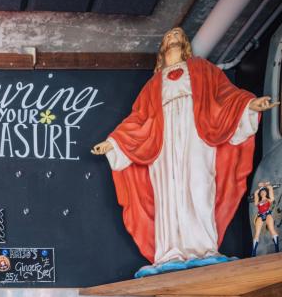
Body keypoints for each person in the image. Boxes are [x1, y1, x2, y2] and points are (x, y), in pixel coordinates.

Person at [92, 27, 279, 273]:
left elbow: (225, 95)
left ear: (185, 43)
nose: (173, 37)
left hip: (197, 136)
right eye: (168, 35)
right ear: (162, 48)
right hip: (163, 144)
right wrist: (114, 143)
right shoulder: (152, 85)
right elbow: (138, 119)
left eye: (178, 34)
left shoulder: (203, 70)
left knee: (200, 186)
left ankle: (203, 247)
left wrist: (249, 103)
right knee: (168, 194)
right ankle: (171, 250)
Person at [252, 181, 279, 256]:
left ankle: (277, 248)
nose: (262, 193)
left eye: (264, 191)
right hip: (260, 215)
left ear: (266, 192)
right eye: (261, 192)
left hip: (267, 214)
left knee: (272, 230)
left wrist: (265, 185)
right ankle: (253, 252)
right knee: (257, 233)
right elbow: (256, 193)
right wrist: (261, 187)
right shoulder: (258, 201)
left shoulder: (269, 199)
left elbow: (270, 188)